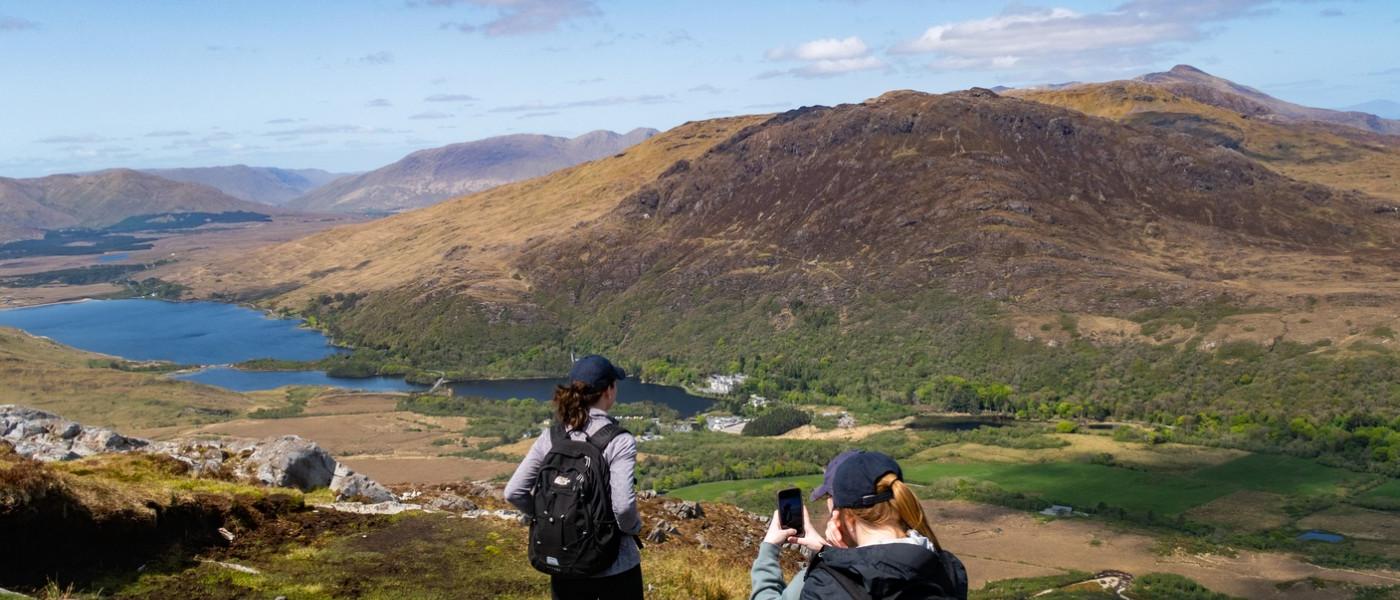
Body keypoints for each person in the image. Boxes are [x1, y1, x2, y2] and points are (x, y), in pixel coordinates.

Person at [504, 355, 643, 600]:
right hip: (615, 566)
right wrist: (633, 528)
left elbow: (513, 492)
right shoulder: (619, 441)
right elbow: (622, 507)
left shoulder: (553, 437)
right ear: (609, 391)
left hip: (563, 560)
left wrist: (553, 520)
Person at [750, 450, 968, 600]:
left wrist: (769, 548)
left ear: (844, 516)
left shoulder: (824, 585)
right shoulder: (949, 569)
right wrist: (830, 554)